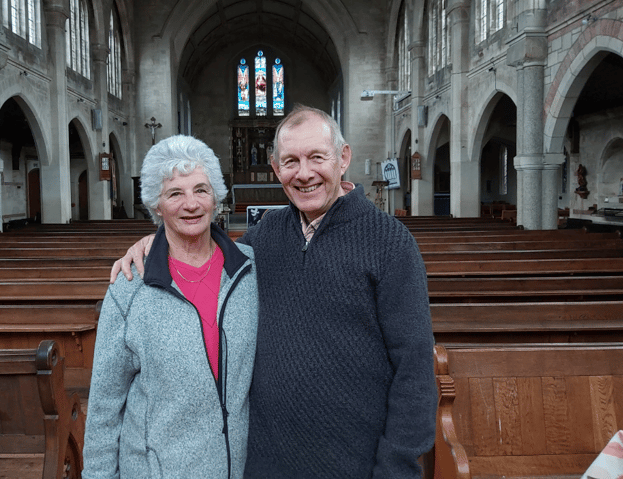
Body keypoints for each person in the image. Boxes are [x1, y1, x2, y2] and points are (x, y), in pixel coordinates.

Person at [111, 105, 436, 478]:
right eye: (291, 161)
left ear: (343, 158)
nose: (304, 173)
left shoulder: (391, 243)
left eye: (317, 157)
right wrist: (155, 244)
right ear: (276, 167)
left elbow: (414, 371)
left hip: (355, 463)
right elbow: (209, 257)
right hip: (266, 462)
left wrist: (395, 468)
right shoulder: (265, 235)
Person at [83, 135, 258, 479]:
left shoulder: (250, 270)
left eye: (201, 190)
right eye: (175, 193)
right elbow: (105, 404)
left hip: (238, 467)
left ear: (216, 198)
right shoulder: (130, 288)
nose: (191, 203)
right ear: (156, 205)